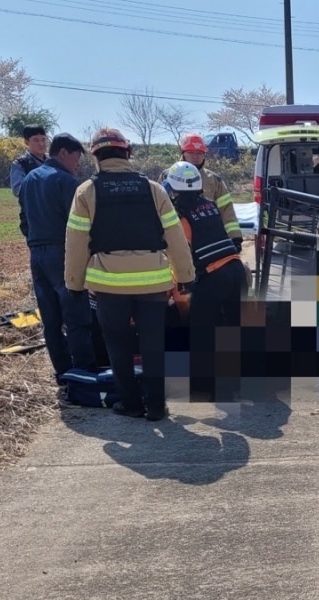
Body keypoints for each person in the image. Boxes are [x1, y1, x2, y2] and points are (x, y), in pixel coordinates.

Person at [65, 128, 196, 422]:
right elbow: (175, 236)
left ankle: (131, 404)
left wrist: (74, 283)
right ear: (128, 153)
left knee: (117, 345)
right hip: (152, 284)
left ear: (96, 156)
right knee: (152, 345)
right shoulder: (153, 189)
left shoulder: (86, 192)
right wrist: (185, 275)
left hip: (109, 286)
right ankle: (157, 406)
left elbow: (76, 243)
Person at [17, 133, 98, 387]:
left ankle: (62, 372)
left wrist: (35, 241)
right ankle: (84, 373)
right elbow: (78, 225)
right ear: (63, 153)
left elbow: (23, 221)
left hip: (36, 253)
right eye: (76, 158)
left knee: (50, 318)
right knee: (76, 314)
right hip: (62, 253)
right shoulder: (66, 182)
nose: (77, 164)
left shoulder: (29, 179)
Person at [162, 160, 247, 402]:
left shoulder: (181, 216)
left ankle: (206, 388)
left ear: (173, 190)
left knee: (202, 335)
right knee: (232, 330)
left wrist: (179, 283)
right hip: (236, 270)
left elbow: (182, 255)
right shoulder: (209, 205)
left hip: (213, 277)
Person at [175, 133, 243, 244]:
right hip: (179, 239)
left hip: (209, 238)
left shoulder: (214, 180)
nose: (196, 156)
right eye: (191, 152)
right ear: (183, 153)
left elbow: (226, 210)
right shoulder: (168, 176)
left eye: (200, 153)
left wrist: (235, 237)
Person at [11, 125, 48, 236]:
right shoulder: (20, 164)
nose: (41, 144)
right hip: (32, 217)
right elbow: (18, 189)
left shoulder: (54, 161)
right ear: (27, 142)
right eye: (36, 140)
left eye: (43, 139)